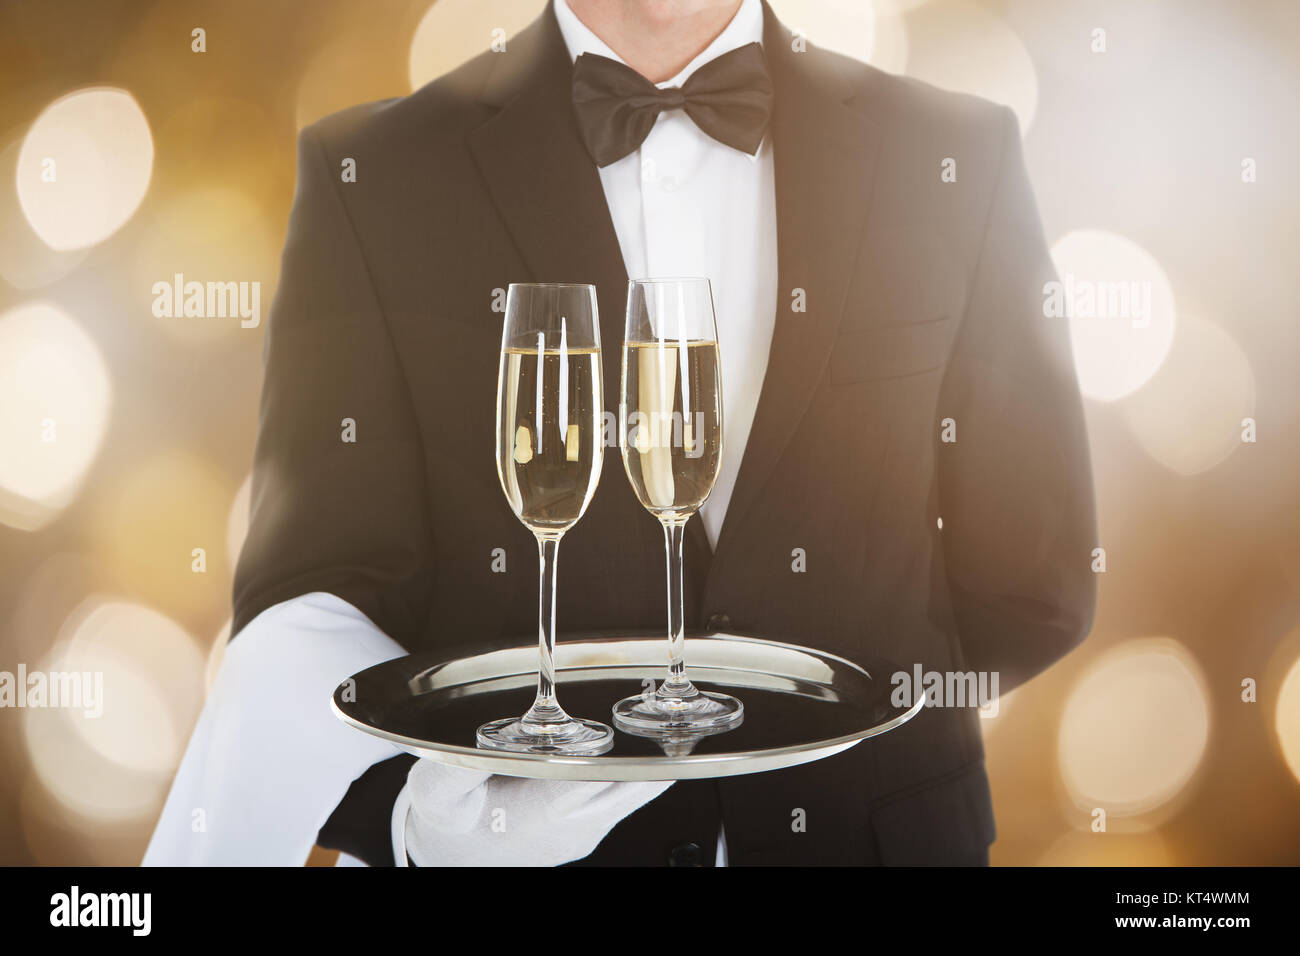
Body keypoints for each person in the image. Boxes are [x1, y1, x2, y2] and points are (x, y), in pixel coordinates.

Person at [145, 0, 1097, 867]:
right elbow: (309, 605)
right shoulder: (374, 178)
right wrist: (415, 818)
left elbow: (1037, 582)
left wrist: (862, 727)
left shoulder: (957, 157)